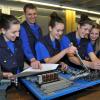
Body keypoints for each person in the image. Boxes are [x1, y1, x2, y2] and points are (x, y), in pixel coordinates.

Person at [0, 14, 24, 79]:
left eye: (18, 31)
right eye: (14, 32)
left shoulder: (18, 42)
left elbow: (20, 61)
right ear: (3, 30)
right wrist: (3, 74)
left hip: (20, 80)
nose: (18, 35)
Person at [20, 3, 42, 69]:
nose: (33, 16)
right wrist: (32, 59)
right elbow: (25, 45)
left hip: (38, 59)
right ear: (25, 14)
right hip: (28, 60)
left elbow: (41, 43)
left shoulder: (38, 27)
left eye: (34, 14)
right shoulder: (22, 28)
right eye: (29, 14)